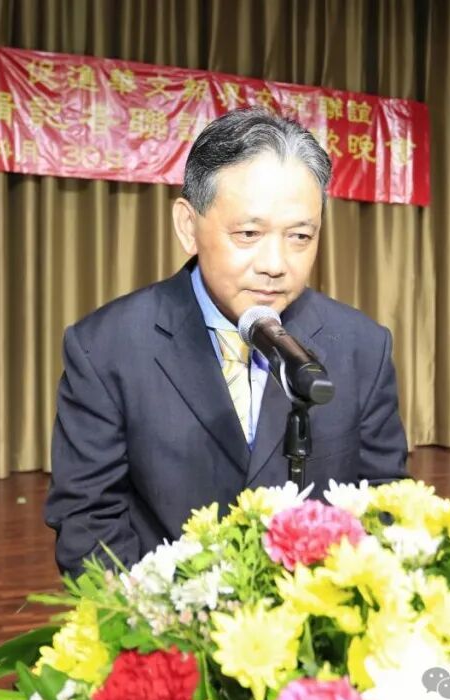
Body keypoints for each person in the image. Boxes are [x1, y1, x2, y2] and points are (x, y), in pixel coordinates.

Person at [44, 107, 409, 576]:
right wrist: (159, 615)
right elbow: (89, 524)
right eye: (249, 234)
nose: (275, 264)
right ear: (187, 225)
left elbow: (383, 506)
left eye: (300, 236)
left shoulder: (362, 346)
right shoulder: (106, 348)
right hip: (165, 611)